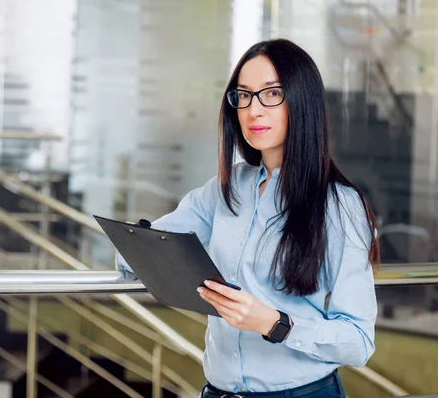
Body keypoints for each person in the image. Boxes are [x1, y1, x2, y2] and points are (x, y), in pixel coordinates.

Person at [116, 38, 379, 398]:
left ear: (302, 102)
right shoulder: (227, 188)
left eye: (271, 94)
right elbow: (143, 246)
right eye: (243, 95)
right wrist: (138, 249)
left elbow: (359, 342)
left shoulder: (338, 205)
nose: (253, 110)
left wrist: (275, 324)